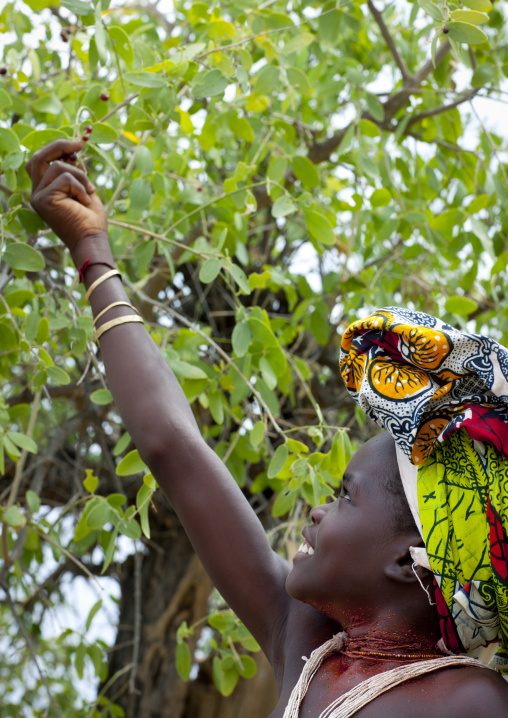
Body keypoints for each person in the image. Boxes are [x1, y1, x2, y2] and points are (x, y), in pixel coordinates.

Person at [26, 139, 508, 717]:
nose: (317, 509)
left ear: (408, 562)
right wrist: (91, 250)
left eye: (345, 497)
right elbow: (173, 447)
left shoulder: (472, 700)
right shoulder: (306, 643)